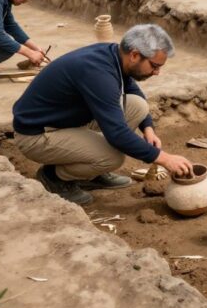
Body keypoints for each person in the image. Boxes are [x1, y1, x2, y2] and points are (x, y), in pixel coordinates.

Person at [12, 24, 193, 205]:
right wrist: (165, 159)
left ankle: (92, 172)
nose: (157, 72)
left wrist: (148, 128)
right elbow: (117, 134)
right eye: (154, 66)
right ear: (135, 55)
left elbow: (132, 90)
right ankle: (53, 177)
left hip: (64, 121)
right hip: (37, 135)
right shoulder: (98, 73)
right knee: (113, 157)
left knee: (138, 106)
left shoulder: (114, 55)